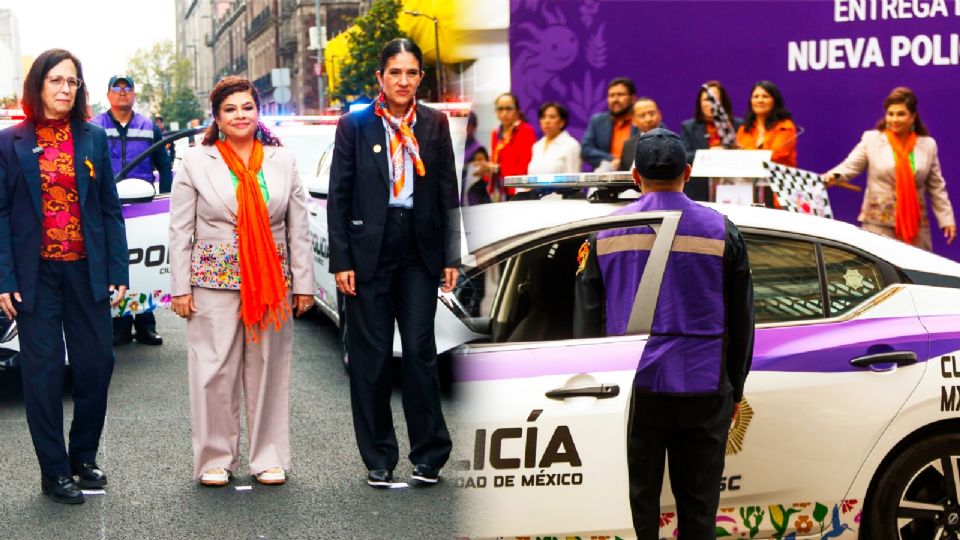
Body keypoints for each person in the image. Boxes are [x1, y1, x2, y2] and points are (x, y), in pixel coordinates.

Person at [573, 128, 754, 537]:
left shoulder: (602, 232)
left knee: (637, 510)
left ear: (635, 176)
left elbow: (586, 324)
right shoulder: (722, 230)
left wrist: (589, 395)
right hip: (705, 387)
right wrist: (736, 388)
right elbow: (743, 319)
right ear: (687, 172)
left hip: (632, 392)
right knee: (699, 512)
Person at [168, 76, 315, 487]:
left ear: (258, 111)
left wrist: (303, 284)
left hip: (271, 282)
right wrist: (180, 287)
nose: (240, 115)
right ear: (216, 116)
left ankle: (268, 457)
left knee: (269, 368)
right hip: (212, 281)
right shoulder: (197, 161)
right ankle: (215, 458)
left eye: (247, 107)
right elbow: (180, 229)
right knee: (213, 370)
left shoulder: (281, 160)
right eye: (230, 109)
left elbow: (297, 225)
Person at [328, 38, 460, 488]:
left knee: (421, 352)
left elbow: (447, 192)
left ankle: (429, 454)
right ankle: (379, 456)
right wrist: (342, 258)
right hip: (369, 252)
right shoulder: (356, 125)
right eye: (395, 73)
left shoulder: (436, 123)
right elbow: (339, 196)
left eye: (412, 72)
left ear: (421, 77)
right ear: (380, 78)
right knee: (372, 357)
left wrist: (451, 255)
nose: (403, 81)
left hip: (419, 250)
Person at [0, 49, 128, 505]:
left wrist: (117, 270)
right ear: (38, 86)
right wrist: (4, 277)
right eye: (55, 80)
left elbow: (110, 209)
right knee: (44, 373)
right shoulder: (10, 141)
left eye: (72, 82)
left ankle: (82, 457)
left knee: (97, 365)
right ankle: (54, 472)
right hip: (35, 277)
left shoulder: (92, 139)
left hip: (86, 272)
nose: (64, 89)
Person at [91, 75, 172, 347]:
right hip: (109, 208)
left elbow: (164, 166)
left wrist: (165, 199)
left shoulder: (149, 127)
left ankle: (146, 325)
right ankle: (119, 324)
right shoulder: (94, 127)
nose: (123, 92)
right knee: (117, 264)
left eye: (128, 88)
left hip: (143, 208)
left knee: (144, 264)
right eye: (117, 87)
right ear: (108, 94)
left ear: (134, 94)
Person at [824, 86, 956, 251]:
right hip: (878, 225)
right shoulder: (872, 140)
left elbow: (936, 187)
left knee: (914, 272)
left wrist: (947, 220)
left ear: (913, 117)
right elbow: (850, 166)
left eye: (901, 114)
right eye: (890, 114)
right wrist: (834, 176)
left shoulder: (928, 145)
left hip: (915, 226)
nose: (894, 119)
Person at [681, 81, 743, 201]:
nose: (711, 104)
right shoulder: (688, 127)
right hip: (699, 190)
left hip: (733, 188)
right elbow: (684, 157)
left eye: (715, 99)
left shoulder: (738, 125)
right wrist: (709, 153)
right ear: (700, 103)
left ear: (723, 102)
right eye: (706, 100)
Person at [474, 93, 536, 201]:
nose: (504, 113)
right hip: (500, 189)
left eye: (509, 109)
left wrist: (496, 168)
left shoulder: (526, 131)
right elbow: (495, 161)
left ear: (517, 111)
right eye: (500, 109)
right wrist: (486, 170)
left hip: (520, 189)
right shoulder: (496, 133)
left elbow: (524, 166)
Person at [735, 80, 797, 167]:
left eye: (765, 96)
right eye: (756, 97)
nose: (760, 100)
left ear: (774, 101)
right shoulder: (744, 129)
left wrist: (744, 152)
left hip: (777, 178)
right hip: (747, 178)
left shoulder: (785, 127)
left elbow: (776, 156)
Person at [581, 77, 637, 170]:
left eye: (620, 94)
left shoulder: (643, 121)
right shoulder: (597, 121)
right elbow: (586, 150)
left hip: (637, 177)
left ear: (632, 98)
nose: (615, 99)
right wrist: (611, 159)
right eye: (611, 95)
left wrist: (625, 162)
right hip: (606, 176)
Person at [528, 102, 581, 175]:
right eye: (543, 117)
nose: (547, 121)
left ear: (562, 122)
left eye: (552, 117)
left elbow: (574, 180)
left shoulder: (571, 145)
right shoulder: (537, 146)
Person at [617, 97, 666, 172]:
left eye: (652, 114)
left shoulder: (671, 141)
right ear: (634, 121)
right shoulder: (628, 144)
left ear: (660, 115)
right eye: (642, 116)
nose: (648, 119)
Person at [462, 111, 489, 205]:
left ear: (474, 127)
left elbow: (480, 180)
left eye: (466, 124)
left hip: (473, 201)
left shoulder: (478, 150)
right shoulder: (454, 147)